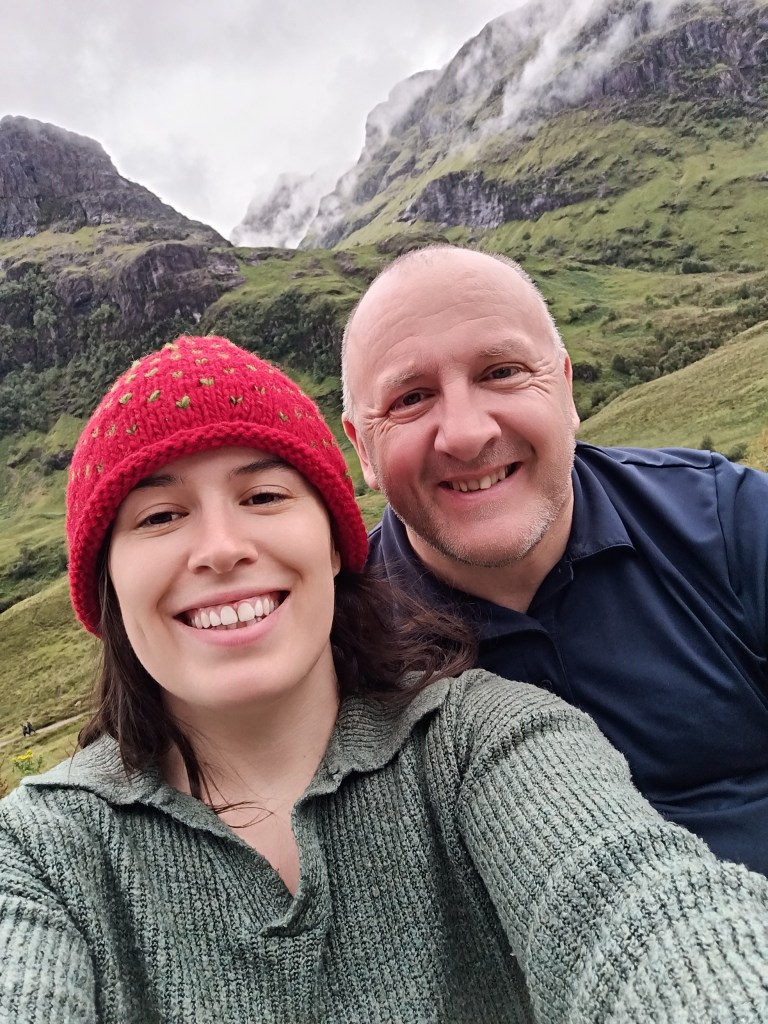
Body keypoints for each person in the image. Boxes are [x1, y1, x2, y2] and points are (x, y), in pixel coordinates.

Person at [1, 335, 767, 1024]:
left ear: (336, 544)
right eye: (159, 516)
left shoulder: (482, 742)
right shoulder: (37, 854)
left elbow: (642, 910)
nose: (222, 548)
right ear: (105, 585)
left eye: (264, 497)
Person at [341, 244, 768, 877]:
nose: (466, 433)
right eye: (410, 398)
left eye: (502, 371)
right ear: (363, 451)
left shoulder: (728, 521)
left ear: (565, 389)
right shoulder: (341, 639)